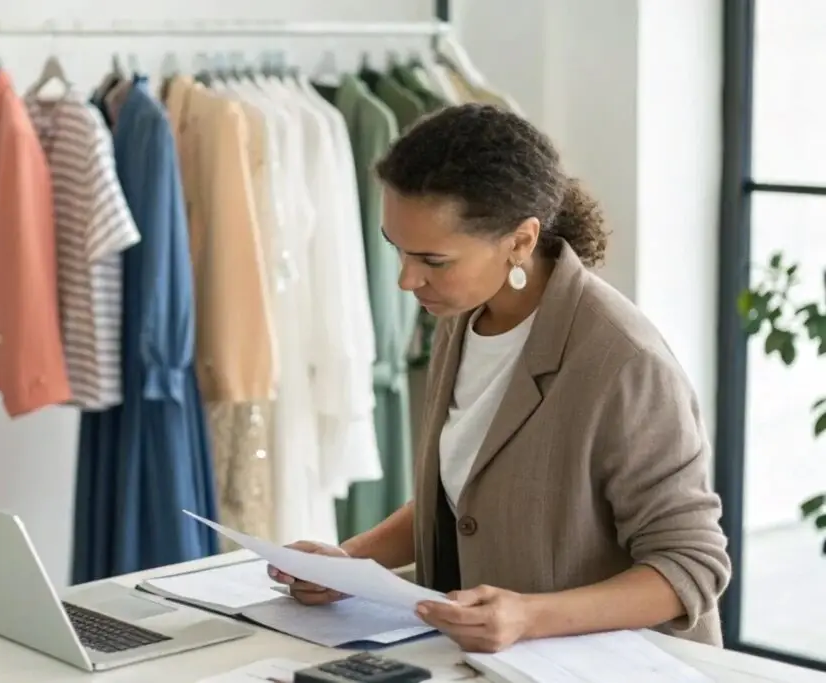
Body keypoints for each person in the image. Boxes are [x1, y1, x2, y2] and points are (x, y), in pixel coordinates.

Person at [268, 104, 731, 654]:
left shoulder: (625, 363)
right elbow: (470, 493)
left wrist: (528, 616)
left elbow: (691, 564)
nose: (406, 279)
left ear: (520, 241)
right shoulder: (463, 313)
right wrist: (352, 562)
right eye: (398, 248)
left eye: (433, 259)